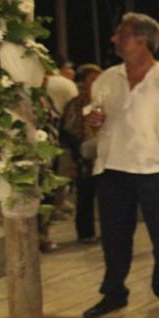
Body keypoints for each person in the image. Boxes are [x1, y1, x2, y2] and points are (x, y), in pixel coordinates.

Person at [81, 13, 159, 318]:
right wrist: (92, 123)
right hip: (113, 170)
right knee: (114, 237)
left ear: (141, 40)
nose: (114, 39)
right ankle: (114, 292)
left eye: (121, 34)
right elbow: (93, 126)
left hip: (154, 172)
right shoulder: (106, 79)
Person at [59, 63, 103, 244]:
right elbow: (69, 129)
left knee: (107, 195)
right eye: (92, 79)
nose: (97, 82)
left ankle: (108, 231)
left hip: (106, 154)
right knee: (85, 194)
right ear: (83, 82)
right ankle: (85, 233)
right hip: (83, 155)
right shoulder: (76, 104)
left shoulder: (104, 100)